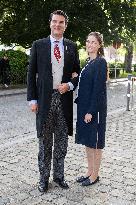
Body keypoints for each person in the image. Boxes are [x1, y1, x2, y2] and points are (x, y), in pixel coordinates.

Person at [27, 10, 80, 193]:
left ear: (65, 25)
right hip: (44, 100)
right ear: (50, 23)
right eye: (55, 22)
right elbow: (31, 74)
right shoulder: (38, 45)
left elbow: (77, 74)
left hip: (63, 100)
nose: (58, 25)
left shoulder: (72, 46)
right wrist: (32, 99)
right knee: (44, 143)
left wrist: (70, 85)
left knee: (61, 142)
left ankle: (59, 176)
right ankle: (43, 179)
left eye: (61, 22)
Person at [75, 32, 107, 186]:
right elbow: (84, 85)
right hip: (85, 107)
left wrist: (91, 111)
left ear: (99, 45)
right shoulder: (88, 61)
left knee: (96, 142)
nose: (90, 44)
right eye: (88, 41)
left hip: (95, 110)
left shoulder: (101, 62)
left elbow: (98, 89)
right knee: (88, 141)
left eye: (93, 42)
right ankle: (89, 171)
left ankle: (95, 175)